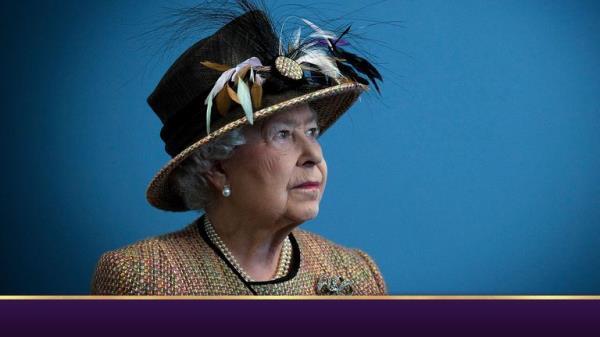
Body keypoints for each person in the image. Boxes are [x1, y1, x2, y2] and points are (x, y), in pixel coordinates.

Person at [91, 1, 386, 295]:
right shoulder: (142, 279)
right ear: (217, 167)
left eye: (312, 131)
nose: (314, 156)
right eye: (282, 134)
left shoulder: (356, 273)